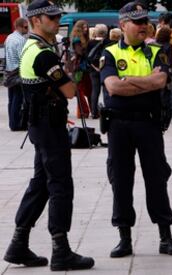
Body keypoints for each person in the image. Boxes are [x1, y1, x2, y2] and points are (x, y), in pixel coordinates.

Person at [2, 0, 94, 271]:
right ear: (36, 20)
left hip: (41, 126)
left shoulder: (34, 48)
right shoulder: (42, 53)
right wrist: (75, 65)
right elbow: (69, 91)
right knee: (60, 185)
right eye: (51, 17)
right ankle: (61, 249)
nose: (56, 21)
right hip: (49, 127)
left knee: (41, 183)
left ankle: (18, 244)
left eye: (57, 17)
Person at [100, 1, 172, 258]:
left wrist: (130, 82)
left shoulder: (157, 51)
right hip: (119, 124)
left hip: (148, 123)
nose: (143, 26)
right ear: (122, 24)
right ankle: (124, 237)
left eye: (145, 21)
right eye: (137, 22)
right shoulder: (111, 52)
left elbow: (161, 81)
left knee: (157, 178)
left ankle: (165, 236)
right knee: (121, 180)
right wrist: (145, 83)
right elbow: (113, 87)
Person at [4, 17, 28, 131]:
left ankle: (12, 123)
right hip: (18, 72)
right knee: (18, 99)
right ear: (19, 26)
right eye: (26, 27)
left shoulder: (9, 37)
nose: (27, 29)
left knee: (11, 99)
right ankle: (16, 124)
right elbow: (22, 58)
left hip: (9, 72)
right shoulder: (20, 40)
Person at [87, 24, 111, 119]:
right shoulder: (109, 42)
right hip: (105, 69)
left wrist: (95, 67)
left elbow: (87, 57)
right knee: (107, 90)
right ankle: (108, 110)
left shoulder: (90, 43)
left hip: (93, 69)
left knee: (95, 91)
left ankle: (94, 112)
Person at [70, 20, 91, 118]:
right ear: (79, 28)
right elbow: (80, 52)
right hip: (79, 66)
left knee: (88, 88)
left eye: (87, 27)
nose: (86, 29)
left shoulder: (81, 38)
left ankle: (86, 111)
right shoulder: (77, 39)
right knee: (80, 89)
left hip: (82, 65)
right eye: (84, 27)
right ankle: (84, 111)